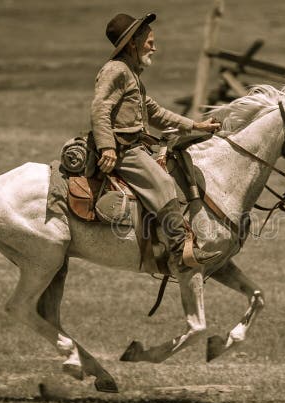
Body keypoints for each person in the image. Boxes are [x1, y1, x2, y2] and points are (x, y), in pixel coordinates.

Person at [91, 12, 222, 269]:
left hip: (137, 146)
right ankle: (179, 248)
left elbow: (154, 113)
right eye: (150, 42)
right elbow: (99, 109)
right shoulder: (115, 70)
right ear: (132, 44)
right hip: (123, 149)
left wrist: (195, 125)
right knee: (163, 182)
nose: (154, 47)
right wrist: (107, 147)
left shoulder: (130, 74)